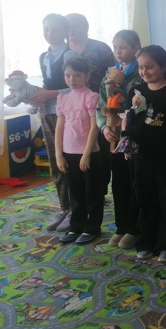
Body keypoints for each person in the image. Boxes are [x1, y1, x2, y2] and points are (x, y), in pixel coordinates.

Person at [122, 45, 166, 263]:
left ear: (163, 66)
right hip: (141, 156)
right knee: (145, 199)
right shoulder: (136, 91)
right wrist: (127, 145)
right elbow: (130, 120)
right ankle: (147, 241)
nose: (144, 71)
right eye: (141, 67)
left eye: (150, 67)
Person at [29, 14, 80, 232]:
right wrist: (34, 96)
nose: (50, 34)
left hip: (69, 114)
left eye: (55, 29)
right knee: (55, 160)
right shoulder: (44, 56)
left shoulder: (70, 55)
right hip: (48, 113)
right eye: (46, 29)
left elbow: (77, 87)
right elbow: (46, 84)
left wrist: (49, 93)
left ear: (65, 32)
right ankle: (65, 208)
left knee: (70, 161)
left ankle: (77, 209)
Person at [96, 30, 143, 249]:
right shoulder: (109, 74)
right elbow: (100, 106)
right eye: (115, 47)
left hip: (133, 135)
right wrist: (104, 127)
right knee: (119, 184)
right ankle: (121, 226)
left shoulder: (141, 72)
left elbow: (141, 106)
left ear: (135, 48)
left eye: (123, 47)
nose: (118, 51)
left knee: (135, 182)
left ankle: (135, 228)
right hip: (114, 136)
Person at [66, 13, 116, 196]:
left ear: (86, 27)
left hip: (99, 107)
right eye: (68, 25)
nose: (71, 29)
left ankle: (100, 191)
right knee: (75, 151)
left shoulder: (100, 48)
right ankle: (81, 193)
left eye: (76, 25)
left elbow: (114, 74)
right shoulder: (64, 51)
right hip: (73, 111)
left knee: (101, 152)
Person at [55, 57, 103, 244]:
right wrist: (59, 154)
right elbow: (59, 128)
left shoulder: (91, 97)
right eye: (67, 75)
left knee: (92, 193)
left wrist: (86, 154)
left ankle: (92, 228)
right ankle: (76, 226)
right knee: (74, 193)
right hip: (68, 153)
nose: (72, 79)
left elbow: (94, 127)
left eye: (77, 75)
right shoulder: (63, 98)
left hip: (89, 154)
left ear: (87, 76)